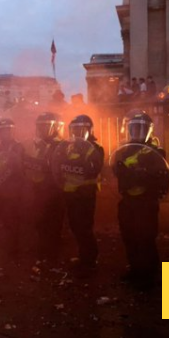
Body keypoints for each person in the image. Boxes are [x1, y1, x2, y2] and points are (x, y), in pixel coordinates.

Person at [113, 112, 168, 286]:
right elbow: (115, 171)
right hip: (128, 200)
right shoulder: (123, 150)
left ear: (149, 131)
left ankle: (149, 274)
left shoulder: (156, 152)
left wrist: (133, 175)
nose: (137, 132)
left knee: (145, 237)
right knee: (128, 236)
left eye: (141, 128)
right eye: (134, 128)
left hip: (146, 201)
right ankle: (135, 269)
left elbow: (157, 176)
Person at [52, 115, 104, 276]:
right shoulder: (69, 147)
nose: (77, 134)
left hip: (85, 193)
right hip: (70, 192)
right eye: (74, 130)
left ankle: (90, 259)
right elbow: (59, 164)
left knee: (84, 227)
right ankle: (83, 256)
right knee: (75, 226)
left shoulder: (95, 148)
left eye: (81, 130)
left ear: (89, 130)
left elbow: (94, 169)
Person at [24, 112, 65, 262]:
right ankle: (42, 250)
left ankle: (53, 253)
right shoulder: (38, 144)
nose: (42, 129)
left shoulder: (60, 145)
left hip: (54, 190)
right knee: (40, 221)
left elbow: (52, 167)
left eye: (46, 126)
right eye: (40, 126)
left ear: (55, 128)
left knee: (53, 222)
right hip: (39, 189)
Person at [0, 118, 26, 257]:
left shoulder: (18, 147)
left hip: (14, 189)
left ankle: (14, 248)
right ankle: (6, 243)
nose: (5, 134)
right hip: (1, 189)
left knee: (13, 219)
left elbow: (21, 168)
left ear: (12, 131)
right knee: (3, 217)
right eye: (2, 131)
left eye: (7, 131)